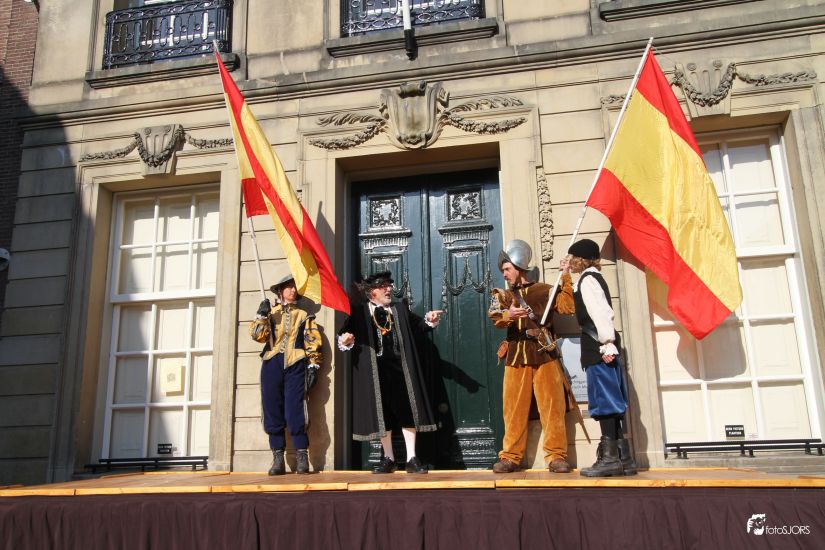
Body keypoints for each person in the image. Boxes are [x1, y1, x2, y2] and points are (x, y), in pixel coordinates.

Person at [338, 271, 443, 474]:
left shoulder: (399, 309)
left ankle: (412, 458)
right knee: (383, 415)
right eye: (383, 286)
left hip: (402, 369)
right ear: (372, 292)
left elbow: (419, 326)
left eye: (389, 285)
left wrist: (430, 320)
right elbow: (343, 335)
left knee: (407, 411)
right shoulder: (359, 312)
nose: (388, 289)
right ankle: (389, 458)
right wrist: (346, 340)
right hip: (375, 372)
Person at [488, 239, 576, 473]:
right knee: (513, 410)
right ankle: (510, 456)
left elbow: (568, 307)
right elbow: (493, 315)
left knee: (552, 408)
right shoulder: (504, 296)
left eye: (507, 269)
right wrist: (508, 315)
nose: (504, 274)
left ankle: (556, 456)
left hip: (544, 354)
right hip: (516, 356)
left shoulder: (545, 290)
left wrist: (566, 277)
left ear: (519, 267)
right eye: (503, 270)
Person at [567, 238, 638, 477]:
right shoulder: (590, 278)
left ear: (581, 259)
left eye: (572, 257)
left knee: (605, 401)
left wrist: (606, 343)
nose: (570, 261)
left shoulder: (588, 280)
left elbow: (601, 313)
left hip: (598, 346)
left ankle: (610, 460)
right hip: (601, 346)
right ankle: (623, 458)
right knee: (611, 401)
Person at [249, 274, 322, 475]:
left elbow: (312, 340)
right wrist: (261, 315)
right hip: (272, 364)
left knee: (295, 409)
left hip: (295, 363)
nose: (293, 290)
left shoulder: (304, 315)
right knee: (272, 409)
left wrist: (313, 365)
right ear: (280, 291)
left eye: (294, 287)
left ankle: (302, 456)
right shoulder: (271, 313)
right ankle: (277, 458)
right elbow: (257, 336)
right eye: (288, 287)